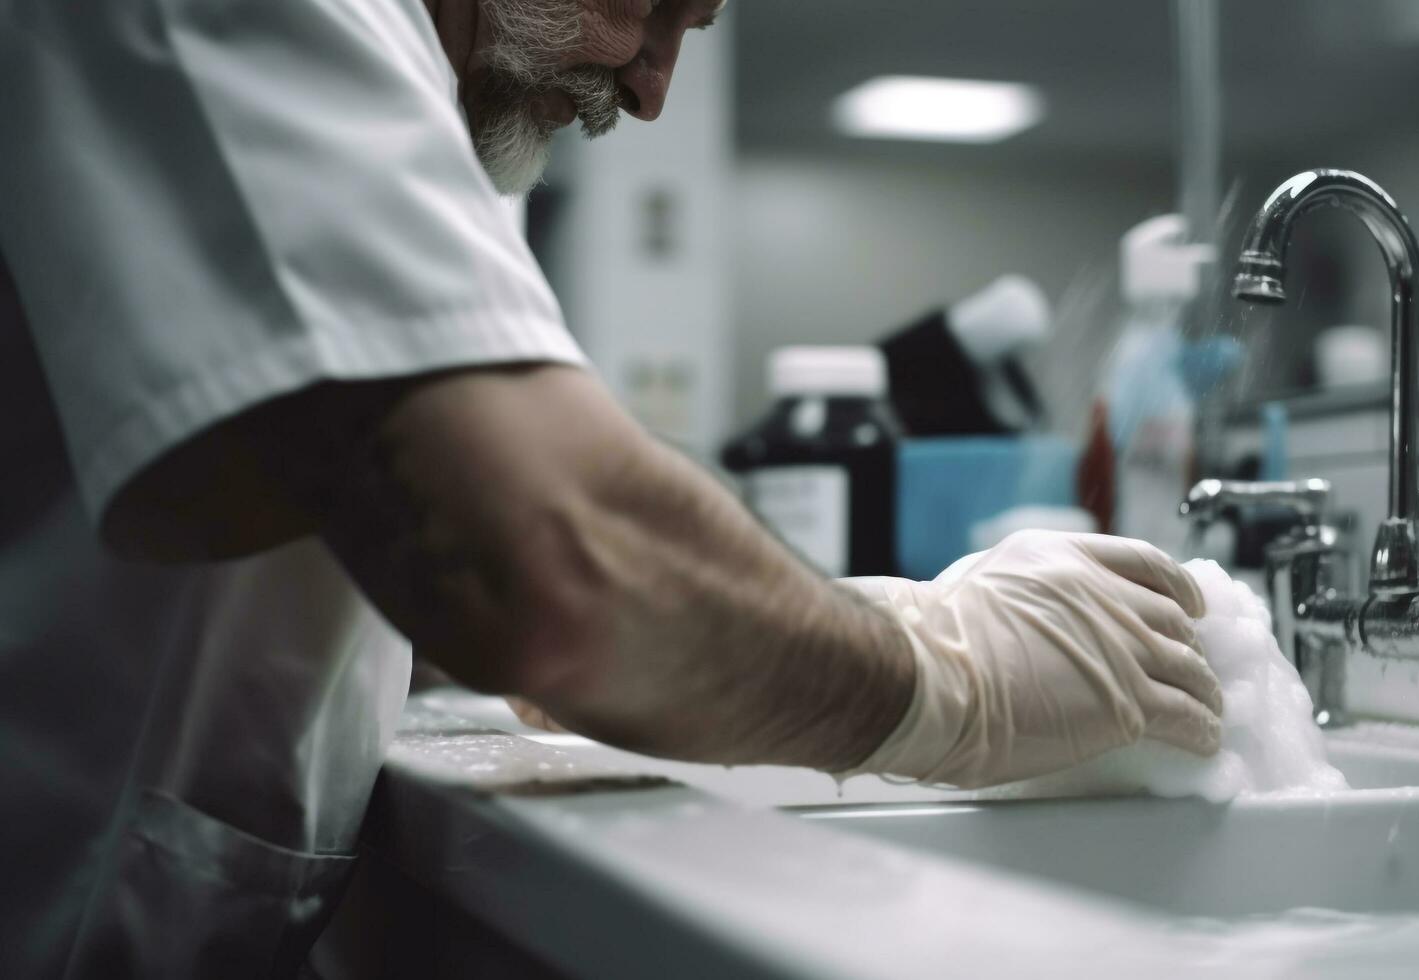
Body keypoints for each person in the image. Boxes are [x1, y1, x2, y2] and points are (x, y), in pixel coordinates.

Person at [0, 0, 1222, 974]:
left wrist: (766, 618)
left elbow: (371, 530)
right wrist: (952, 679)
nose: (648, 88)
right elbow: (547, 558)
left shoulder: (445, 116)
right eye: (654, 8)